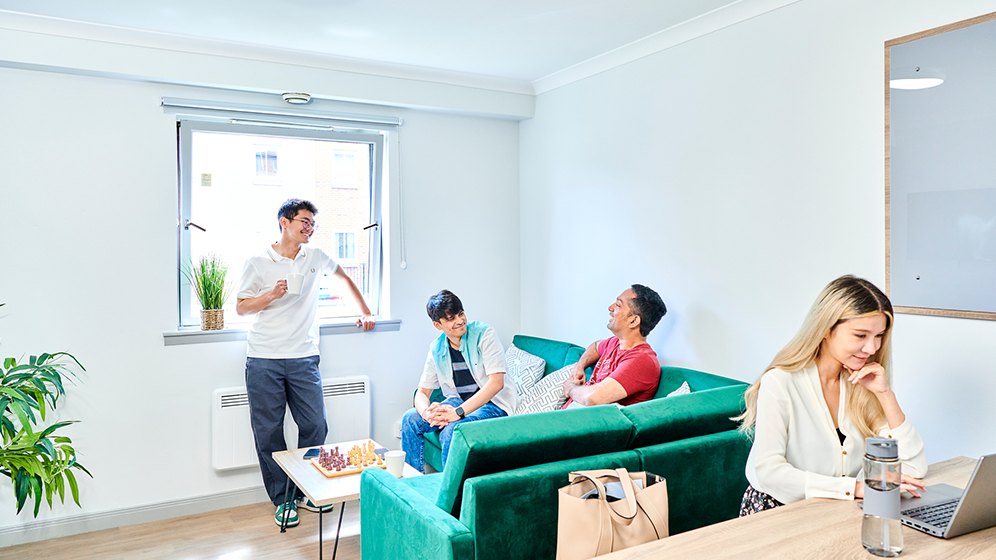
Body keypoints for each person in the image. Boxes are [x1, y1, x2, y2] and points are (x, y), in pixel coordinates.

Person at [235, 198, 376, 527]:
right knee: (268, 432)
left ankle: (308, 489)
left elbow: (345, 278)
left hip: (303, 356)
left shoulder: (315, 256)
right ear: (284, 222)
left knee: (315, 425)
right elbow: (241, 308)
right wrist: (271, 295)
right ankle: (284, 500)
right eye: (304, 221)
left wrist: (366, 311)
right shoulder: (257, 261)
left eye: (313, 223)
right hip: (264, 358)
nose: (309, 228)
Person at [737, 275, 927, 516]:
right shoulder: (781, 381)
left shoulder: (861, 384)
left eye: (879, 336)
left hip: (834, 512)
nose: (872, 349)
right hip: (777, 513)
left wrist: (885, 394)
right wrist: (855, 488)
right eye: (861, 335)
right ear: (826, 329)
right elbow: (769, 472)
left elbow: (914, 467)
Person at [401, 290, 516, 473]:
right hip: (458, 401)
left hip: (494, 404)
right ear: (438, 325)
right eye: (451, 318)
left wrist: (458, 413)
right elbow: (422, 393)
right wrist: (427, 413)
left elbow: (496, 383)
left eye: (461, 313)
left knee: (451, 430)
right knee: (410, 419)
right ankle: (414, 485)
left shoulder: (485, 334)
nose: (460, 320)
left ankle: (450, 497)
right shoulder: (436, 348)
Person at [561, 285, 667, 408]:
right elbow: (595, 346)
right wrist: (579, 367)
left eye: (618, 305)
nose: (610, 308)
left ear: (633, 321)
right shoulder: (615, 343)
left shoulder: (641, 361)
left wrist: (571, 388)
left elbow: (592, 399)